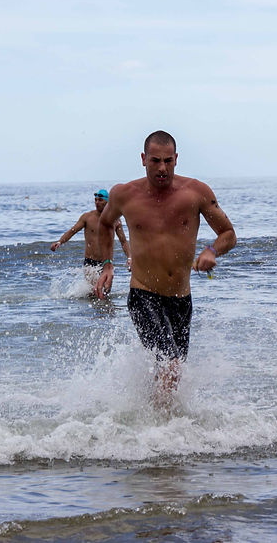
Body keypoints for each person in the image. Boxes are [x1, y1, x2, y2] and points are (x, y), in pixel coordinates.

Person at [93, 131, 237, 409]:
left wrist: (211, 251)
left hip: (182, 300)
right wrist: (108, 264)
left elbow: (228, 233)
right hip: (143, 295)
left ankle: (150, 421)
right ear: (143, 159)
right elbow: (106, 223)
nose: (162, 168)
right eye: (155, 161)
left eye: (168, 161)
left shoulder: (196, 192)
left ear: (176, 159)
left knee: (172, 369)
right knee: (171, 365)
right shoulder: (124, 194)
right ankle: (160, 427)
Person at [51, 189, 131, 289]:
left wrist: (129, 258)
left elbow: (123, 241)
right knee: (95, 291)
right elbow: (72, 231)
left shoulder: (115, 220)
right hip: (90, 263)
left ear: (108, 201)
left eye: (100, 200)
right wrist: (60, 242)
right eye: (96, 200)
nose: (97, 202)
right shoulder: (87, 217)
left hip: (106, 263)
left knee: (106, 291)